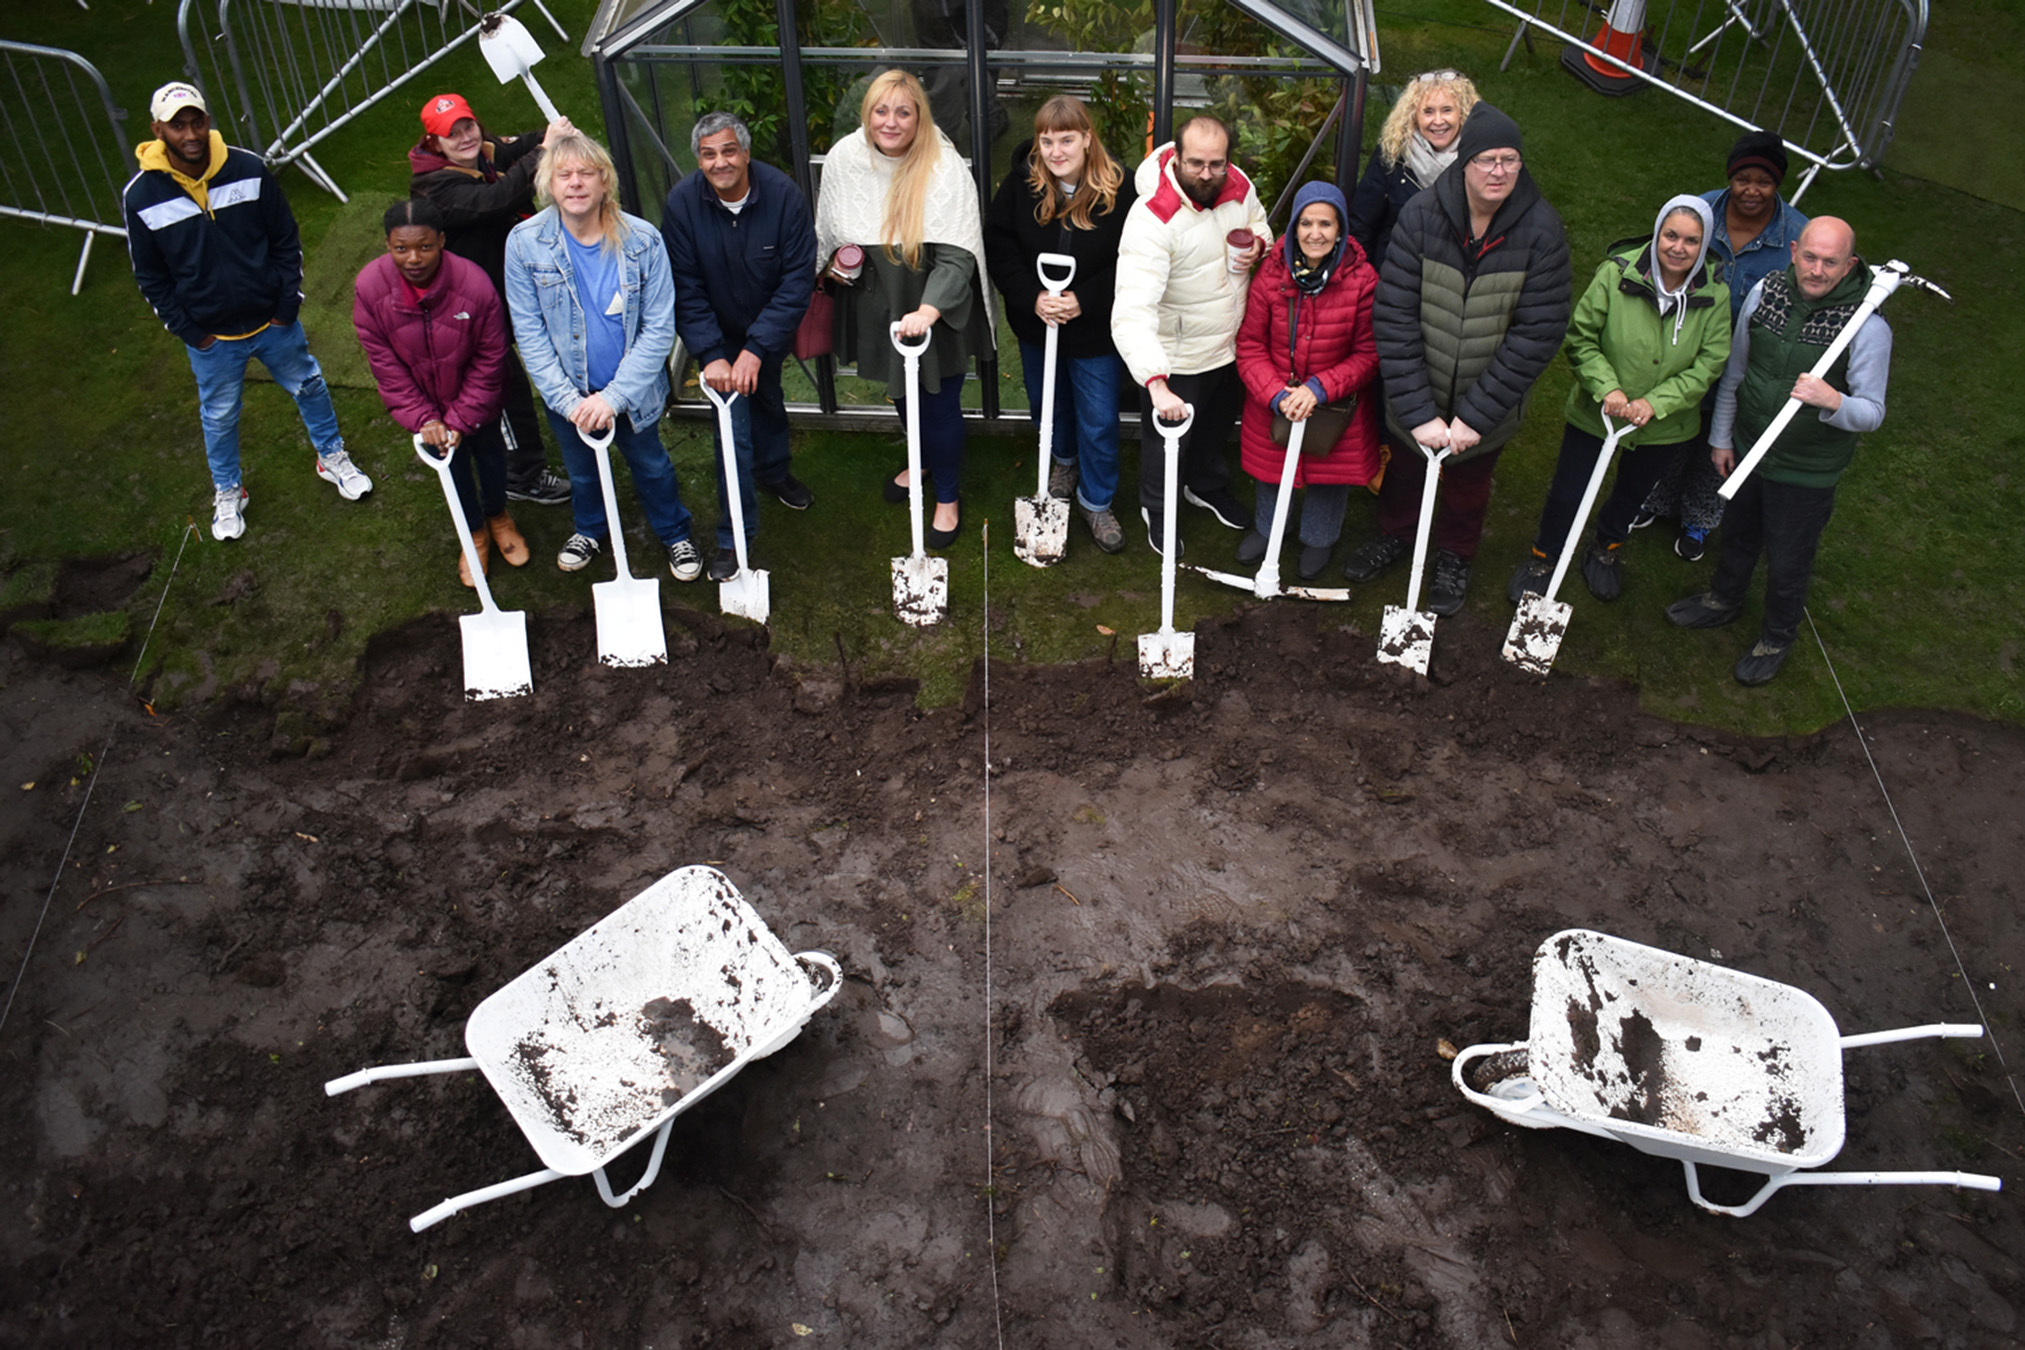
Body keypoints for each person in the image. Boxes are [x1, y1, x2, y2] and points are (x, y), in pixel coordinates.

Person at [124, 81, 369, 542]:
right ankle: (228, 490)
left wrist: (285, 306)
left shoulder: (249, 169)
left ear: (207, 120)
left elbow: (285, 240)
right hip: (210, 338)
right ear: (158, 130)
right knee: (218, 416)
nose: (191, 133)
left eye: (197, 120)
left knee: (310, 385)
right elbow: (150, 276)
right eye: (178, 126)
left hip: (273, 322)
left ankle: (331, 456)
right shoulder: (140, 196)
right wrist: (191, 331)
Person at [1352, 103, 1571, 613]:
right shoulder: (1422, 216)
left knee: (1469, 486)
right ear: (1465, 162)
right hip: (1417, 394)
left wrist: (1474, 416)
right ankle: (1396, 534)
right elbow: (1395, 314)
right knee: (1404, 473)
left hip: (1485, 405)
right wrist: (1418, 410)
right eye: (1488, 160)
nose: (1499, 171)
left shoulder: (1542, 231)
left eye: (1510, 160)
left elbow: (1537, 333)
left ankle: (1454, 555)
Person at [1666, 217, 1888, 686]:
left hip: (1805, 471)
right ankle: (1723, 600)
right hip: (1749, 448)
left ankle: (1777, 635)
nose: (1817, 270)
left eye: (1831, 262)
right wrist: (1723, 437)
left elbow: (1871, 413)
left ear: (1849, 265)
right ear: (1792, 251)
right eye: (1810, 257)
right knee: (1739, 534)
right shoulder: (1765, 292)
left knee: (1789, 558)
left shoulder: (1867, 328)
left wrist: (1834, 401)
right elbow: (1736, 372)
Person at [1507, 196, 1730, 606]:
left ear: (1706, 245)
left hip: (1663, 427)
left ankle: (1606, 549)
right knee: (1568, 492)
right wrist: (1607, 387)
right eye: (1671, 236)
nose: (1678, 248)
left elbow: (1709, 364)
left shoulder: (1715, 296)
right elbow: (1581, 337)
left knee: (1632, 493)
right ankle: (1544, 557)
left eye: (1692, 240)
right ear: (1657, 232)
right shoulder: (1616, 274)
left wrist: (1657, 403)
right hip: (1598, 414)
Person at [502, 131, 702, 580]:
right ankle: (589, 529)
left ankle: (674, 532)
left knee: (651, 466)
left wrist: (612, 399)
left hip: (632, 395)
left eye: (585, 173)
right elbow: (529, 332)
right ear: (548, 185)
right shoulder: (524, 244)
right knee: (583, 472)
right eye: (563, 174)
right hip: (567, 396)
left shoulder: (643, 242)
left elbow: (658, 330)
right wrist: (571, 402)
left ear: (604, 182)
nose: (575, 183)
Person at [814, 69, 995, 548]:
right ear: (867, 114)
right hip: (879, 306)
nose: (890, 122)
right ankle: (922, 463)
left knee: (938, 404)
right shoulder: (844, 160)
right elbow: (832, 232)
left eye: (903, 112)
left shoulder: (943, 166)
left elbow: (959, 254)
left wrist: (929, 311)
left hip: (933, 308)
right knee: (901, 396)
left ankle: (948, 496)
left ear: (919, 118)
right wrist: (838, 264)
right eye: (881, 110)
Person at [1639, 129, 1811, 561]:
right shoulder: (1698, 213)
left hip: (1748, 360)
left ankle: (1699, 518)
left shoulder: (1796, 235)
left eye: (1764, 182)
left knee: (1722, 443)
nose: (1752, 190)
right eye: (1743, 179)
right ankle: (1654, 500)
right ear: (1730, 177)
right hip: (1686, 349)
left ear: (1778, 186)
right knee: (1674, 427)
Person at [662, 111, 818, 582]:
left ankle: (773, 473)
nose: (720, 162)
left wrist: (757, 348)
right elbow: (684, 287)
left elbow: (796, 281)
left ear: (746, 153)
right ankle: (735, 539)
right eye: (708, 154)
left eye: (729, 151)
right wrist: (712, 354)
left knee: (768, 400)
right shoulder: (682, 204)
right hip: (717, 335)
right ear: (698, 159)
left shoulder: (783, 196)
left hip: (767, 329)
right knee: (731, 432)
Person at [1112, 116, 1274, 555]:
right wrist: (1156, 382)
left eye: (1216, 164)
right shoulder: (1152, 218)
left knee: (1213, 431)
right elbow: (1131, 310)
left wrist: (1258, 245)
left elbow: (1260, 223)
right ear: (1176, 158)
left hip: (1229, 345)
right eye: (1196, 163)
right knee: (1166, 445)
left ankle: (1205, 486)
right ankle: (1158, 508)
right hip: (1177, 355)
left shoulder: (1237, 185)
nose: (1207, 174)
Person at [983, 95, 1137, 553]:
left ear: (1087, 138)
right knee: (1048, 405)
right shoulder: (1021, 186)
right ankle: (1064, 464)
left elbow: (1133, 259)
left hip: (1094, 332)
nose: (1055, 151)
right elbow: (1000, 244)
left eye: (1066, 139)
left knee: (1098, 417)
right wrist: (1033, 297)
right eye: (1046, 141)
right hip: (1037, 325)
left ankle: (1096, 500)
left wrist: (1083, 300)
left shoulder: (1120, 190)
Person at [410, 92, 574, 506]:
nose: (465, 137)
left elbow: (519, 146)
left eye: (468, 126)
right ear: (434, 144)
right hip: (469, 310)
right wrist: (544, 151)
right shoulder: (435, 188)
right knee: (501, 387)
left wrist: (557, 132)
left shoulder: (480, 152)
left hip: (508, 287)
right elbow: (495, 200)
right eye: (452, 134)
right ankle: (521, 474)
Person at [353, 198, 522, 588]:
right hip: (426, 409)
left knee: (492, 459)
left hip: (479, 402)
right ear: (387, 245)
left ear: (442, 241)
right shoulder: (369, 288)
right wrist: (424, 418)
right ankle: (474, 533)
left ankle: (499, 517)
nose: (413, 258)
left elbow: (491, 355)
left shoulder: (474, 284)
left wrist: (462, 417)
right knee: (454, 469)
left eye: (425, 246)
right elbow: (384, 363)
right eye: (402, 248)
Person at [1231, 181, 1382, 580]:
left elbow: (1368, 354)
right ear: (1294, 227)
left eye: (1326, 224)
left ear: (1340, 230)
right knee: (1270, 469)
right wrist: (1276, 394)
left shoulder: (1363, 280)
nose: (1316, 233)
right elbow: (1249, 345)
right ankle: (1269, 530)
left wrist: (1319, 389)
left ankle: (1319, 537)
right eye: (1307, 223)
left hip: (1334, 403)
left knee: (1329, 472)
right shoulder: (1271, 274)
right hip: (1276, 395)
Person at [1346, 69, 1479, 274]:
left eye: (1447, 110)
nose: (1438, 120)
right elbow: (1361, 224)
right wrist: (1366, 281)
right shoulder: (1392, 154)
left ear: (1463, 113)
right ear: (1413, 116)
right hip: (1395, 278)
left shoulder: (1481, 160)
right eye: (1428, 111)